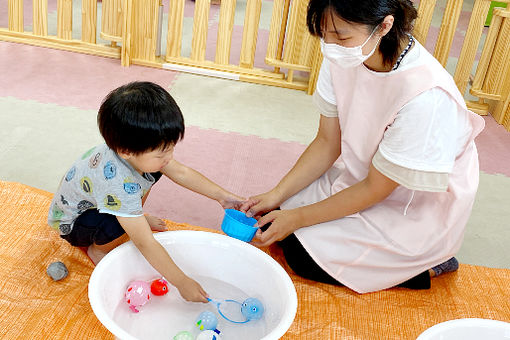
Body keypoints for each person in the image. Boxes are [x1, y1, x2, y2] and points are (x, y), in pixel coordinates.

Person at [240, 0, 485, 293]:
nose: (329, 45)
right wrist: (275, 194)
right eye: (323, 34)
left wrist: (297, 218)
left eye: (341, 36)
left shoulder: (426, 96)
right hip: (367, 174)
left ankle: (430, 263)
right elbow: (327, 143)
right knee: (273, 219)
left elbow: (377, 189)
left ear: (385, 25)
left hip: (411, 203)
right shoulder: (345, 55)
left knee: (301, 257)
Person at [48, 81, 244, 302]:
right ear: (126, 151)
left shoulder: (136, 152)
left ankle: (134, 216)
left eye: (171, 148)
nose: (169, 157)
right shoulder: (118, 184)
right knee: (121, 220)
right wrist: (180, 281)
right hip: (74, 225)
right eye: (162, 153)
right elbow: (145, 242)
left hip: (103, 200)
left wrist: (223, 196)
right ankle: (99, 249)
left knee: (155, 172)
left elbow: (181, 172)